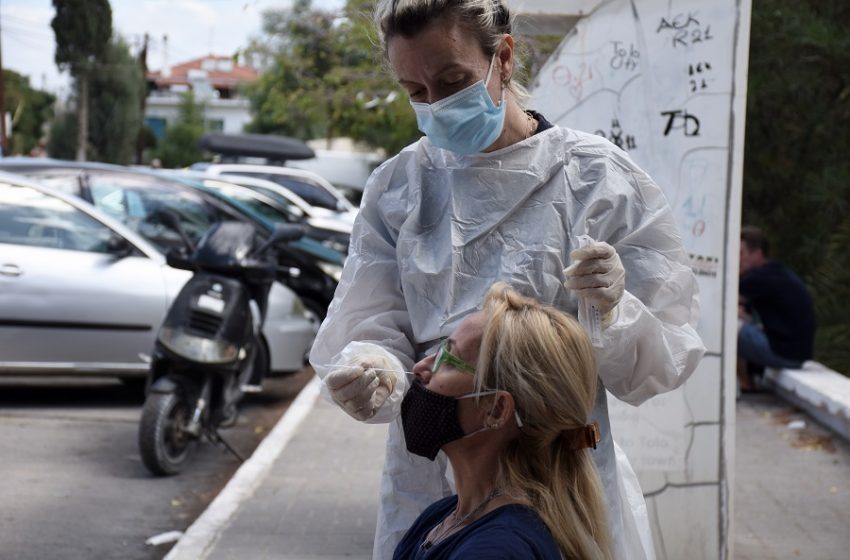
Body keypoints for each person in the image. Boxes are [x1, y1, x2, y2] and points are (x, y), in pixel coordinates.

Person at [309, 1, 706, 558]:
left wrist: (615, 315)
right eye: (416, 91)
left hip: (558, 481)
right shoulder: (399, 188)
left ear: (504, 56)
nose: (437, 105)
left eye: (453, 81)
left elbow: (661, 364)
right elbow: (370, 323)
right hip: (432, 482)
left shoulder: (597, 180)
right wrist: (374, 366)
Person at [393, 282, 612, 559]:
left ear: (496, 410)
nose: (420, 367)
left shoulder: (498, 549)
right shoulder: (444, 516)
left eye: (448, 360)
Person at [737, 226, 816, 388]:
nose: (736, 259)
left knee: (727, 325)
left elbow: (722, 304)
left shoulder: (757, 277)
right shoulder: (776, 272)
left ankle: (745, 383)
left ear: (757, 254)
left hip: (784, 354)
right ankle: (748, 379)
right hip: (797, 354)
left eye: (740, 253)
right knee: (740, 321)